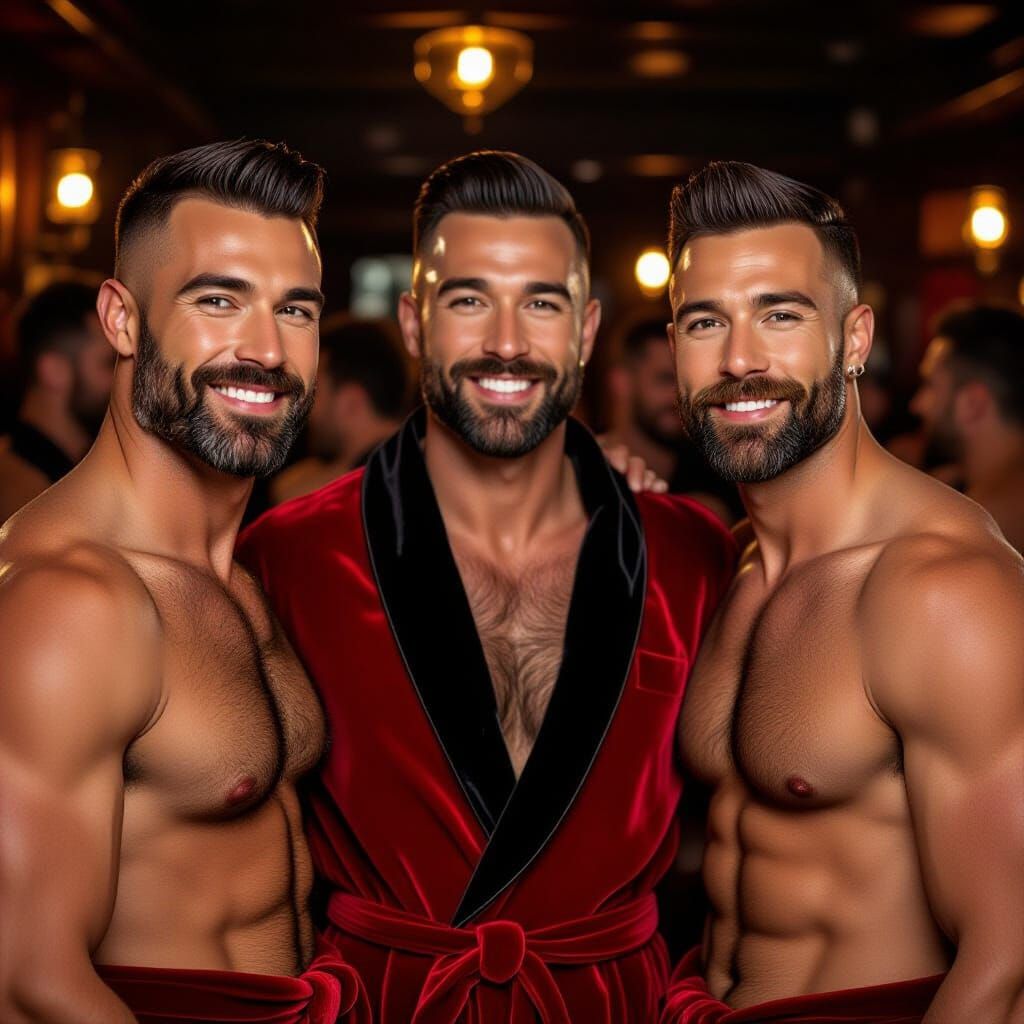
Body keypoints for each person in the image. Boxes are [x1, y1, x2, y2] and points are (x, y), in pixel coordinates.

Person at [238, 150, 737, 1023]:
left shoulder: (691, 553)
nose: (507, 342)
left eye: (540, 303)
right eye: (469, 300)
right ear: (414, 323)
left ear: (584, 330)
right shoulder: (289, 557)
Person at [0, 140, 367, 1024]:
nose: (267, 351)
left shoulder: (238, 573)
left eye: (297, 310)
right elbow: (27, 982)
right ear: (123, 322)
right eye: (218, 300)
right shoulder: (72, 602)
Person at [659, 162, 1024, 1023]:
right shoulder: (741, 562)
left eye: (780, 315)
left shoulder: (940, 591)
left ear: (855, 339)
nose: (740, 360)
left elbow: (1007, 966)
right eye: (705, 321)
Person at [604, 314, 741, 524]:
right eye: (666, 379)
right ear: (621, 383)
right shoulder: (585, 466)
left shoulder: (721, 472)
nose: (680, 396)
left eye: (687, 381)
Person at [911, 302, 1024, 552]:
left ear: (973, 404)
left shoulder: (984, 524)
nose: (917, 405)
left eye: (930, 385)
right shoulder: (962, 493)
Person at [0, 280, 114, 520]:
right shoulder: (24, 503)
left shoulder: (68, 478)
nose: (121, 380)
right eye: (109, 363)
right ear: (54, 371)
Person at [270, 315, 411, 504]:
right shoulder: (420, 464)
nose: (302, 406)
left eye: (315, 391)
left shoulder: (351, 499)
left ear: (351, 402)